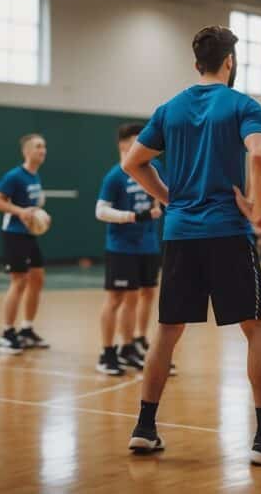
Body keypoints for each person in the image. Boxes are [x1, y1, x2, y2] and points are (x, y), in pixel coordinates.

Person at [121, 25, 261, 465]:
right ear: (230, 62)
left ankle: (144, 428)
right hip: (228, 232)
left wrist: (169, 198)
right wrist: (258, 210)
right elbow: (260, 156)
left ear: (196, 64)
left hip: (181, 234)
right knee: (258, 328)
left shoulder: (170, 108)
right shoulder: (243, 105)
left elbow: (134, 162)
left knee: (167, 332)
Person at [95, 123, 164, 376]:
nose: (140, 146)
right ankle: (107, 352)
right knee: (117, 298)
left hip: (148, 245)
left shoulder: (153, 169)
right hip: (121, 246)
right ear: (123, 145)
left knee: (143, 295)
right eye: (135, 142)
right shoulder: (115, 175)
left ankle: (133, 344)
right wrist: (132, 216)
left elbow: (163, 197)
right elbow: (100, 211)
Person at [0, 134, 49, 354]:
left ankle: (27, 329)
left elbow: (33, 206)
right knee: (19, 281)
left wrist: (40, 214)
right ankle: (6, 333)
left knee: (37, 278)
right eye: (38, 146)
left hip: (29, 234)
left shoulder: (35, 176)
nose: (42, 150)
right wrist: (21, 212)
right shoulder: (14, 176)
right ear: (26, 151)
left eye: (44, 147)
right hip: (14, 233)